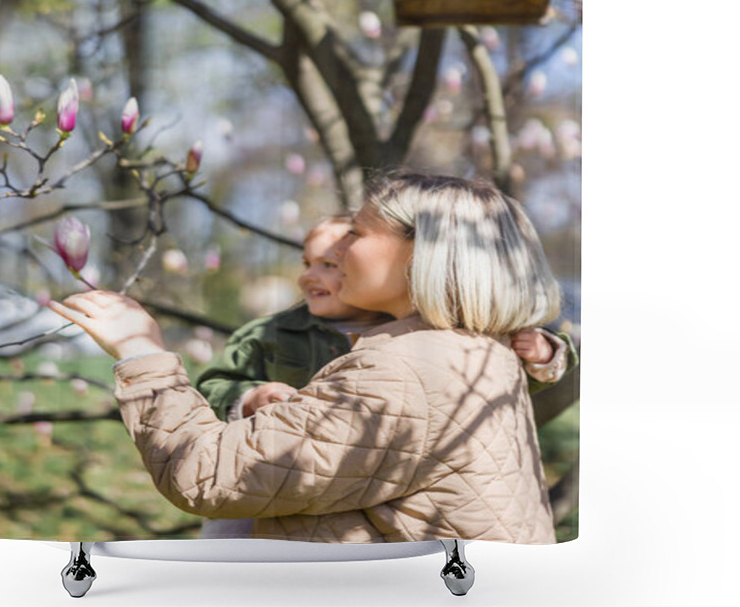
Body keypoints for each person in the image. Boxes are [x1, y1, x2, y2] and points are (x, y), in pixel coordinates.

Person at [49, 174, 563, 543]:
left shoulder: (400, 373)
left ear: (420, 252)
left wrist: (140, 349)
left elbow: (207, 474)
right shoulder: (479, 347)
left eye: (358, 234)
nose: (340, 252)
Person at [198, 215, 575, 422]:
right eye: (307, 263)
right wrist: (251, 398)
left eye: (330, 264)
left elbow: (484, 387)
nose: (310, 276)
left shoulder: (413, 330)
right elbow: (212, 385)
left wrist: (544, 354)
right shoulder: (272, 332)